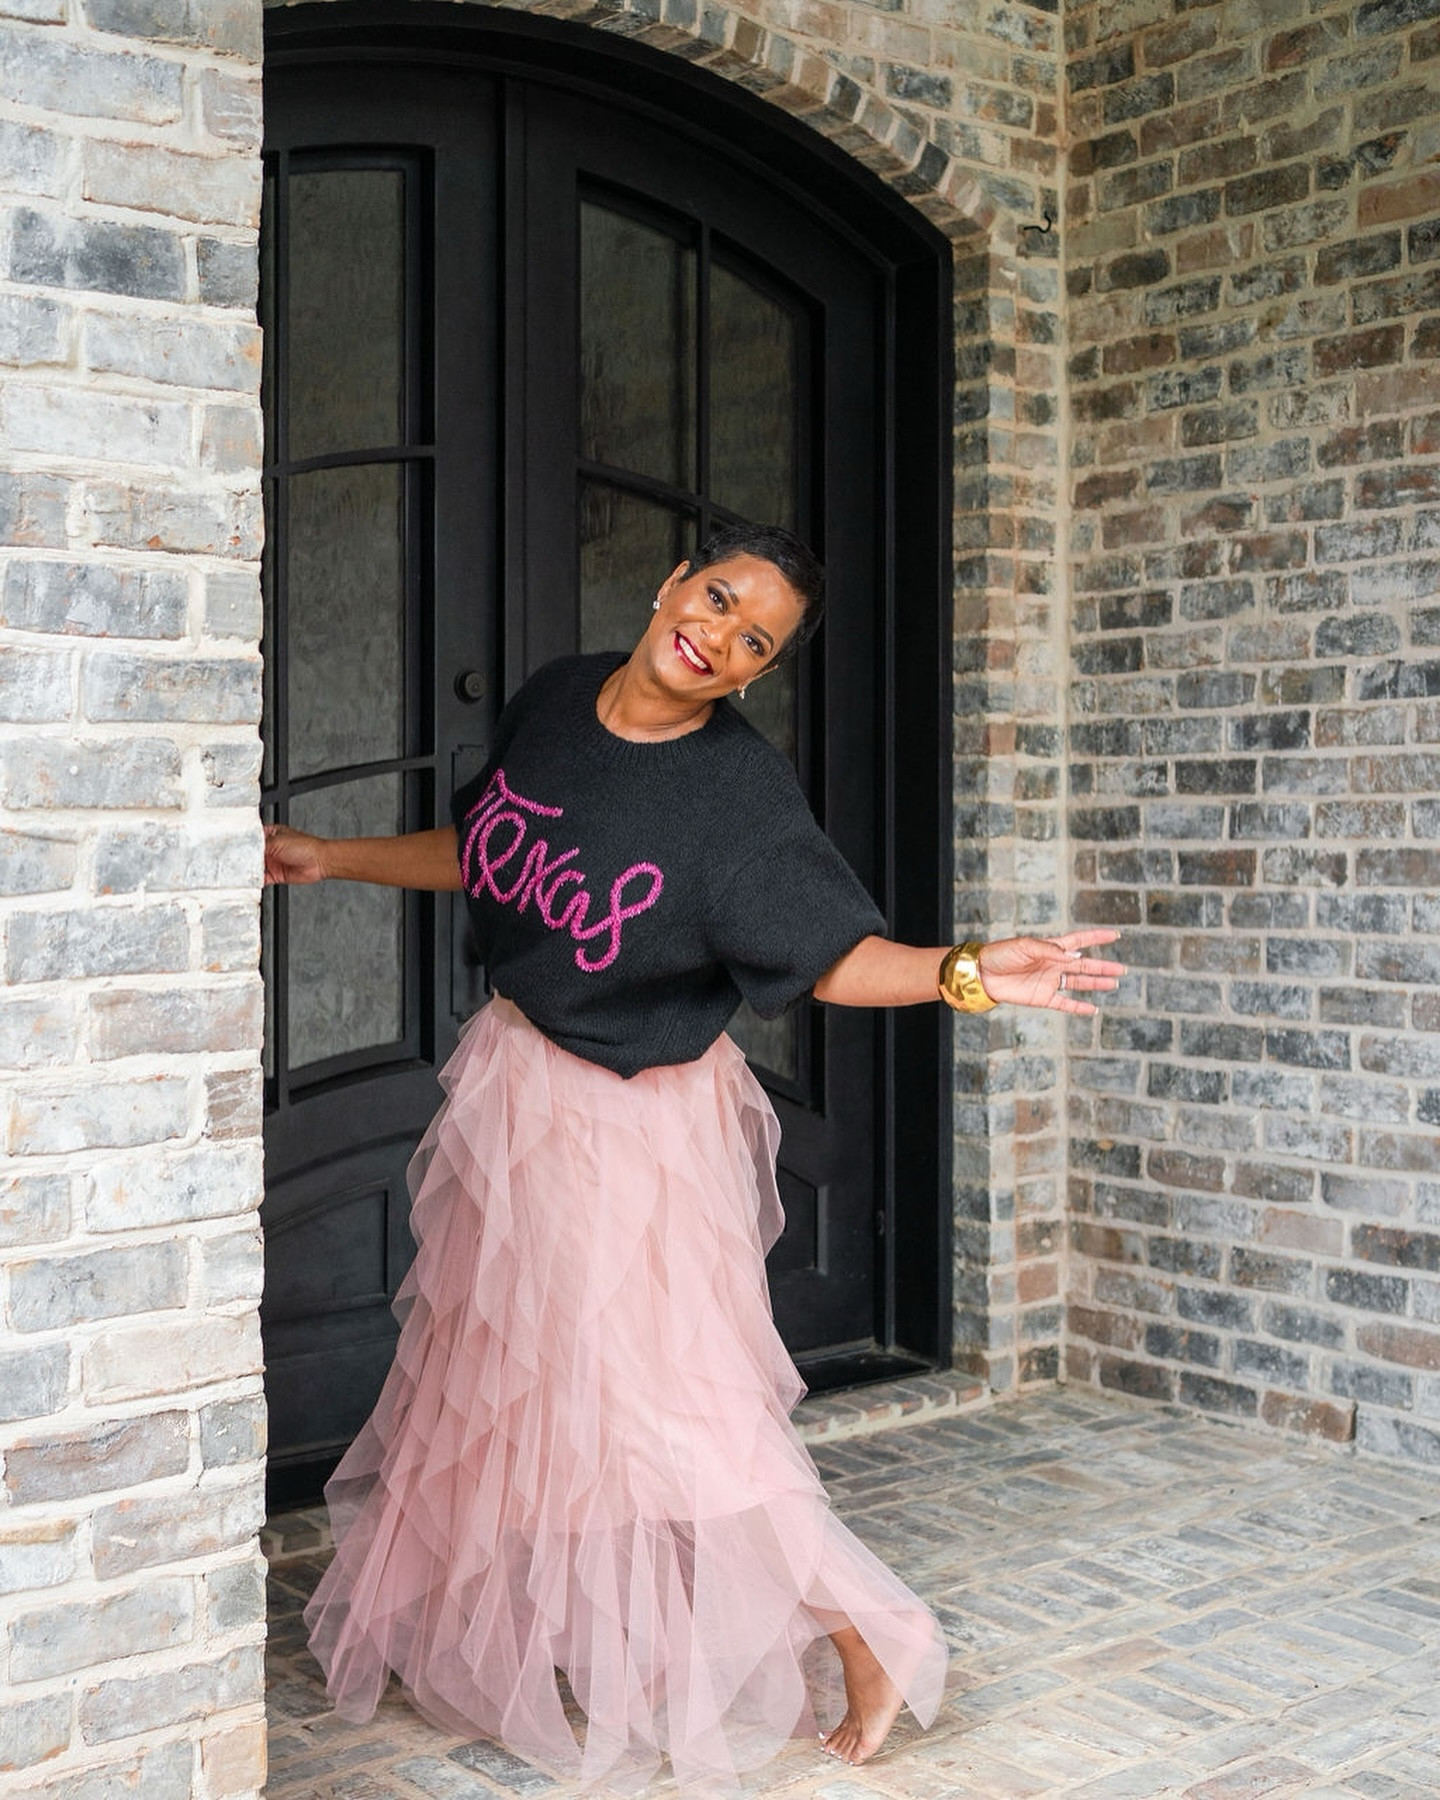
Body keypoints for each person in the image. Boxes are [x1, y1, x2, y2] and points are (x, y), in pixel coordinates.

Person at [264, 523, 1124, 1792]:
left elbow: (831, 958)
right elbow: (491, 854)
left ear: (754, 673)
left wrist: (969, 974)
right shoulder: (558, 697)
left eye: (753, 638)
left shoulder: (737, 799)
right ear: (674, 580)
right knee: (498, 1366)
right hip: (517, 1083)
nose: (718, 635)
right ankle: (524, 1619)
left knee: (662, 1402)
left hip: (630, 1127)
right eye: (717, 598)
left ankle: (871, 1631)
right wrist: (333, 858)